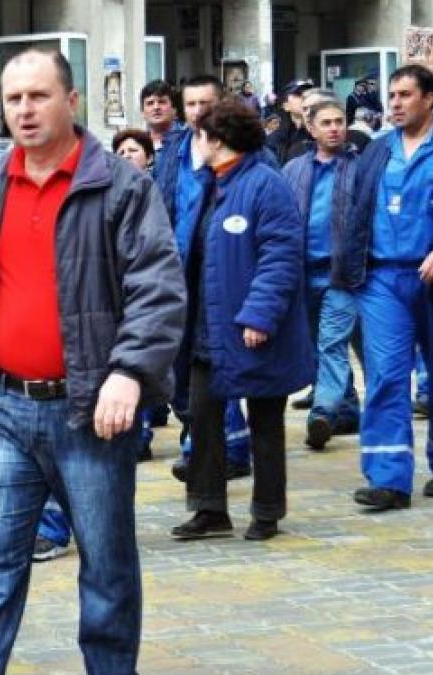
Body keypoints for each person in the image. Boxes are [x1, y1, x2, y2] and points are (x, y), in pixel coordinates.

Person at [0, 48, 186, 675]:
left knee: (106, 567)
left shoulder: (121, 186)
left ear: (71, 101)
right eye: (13, 98)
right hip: (2, 410)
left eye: (38, 96)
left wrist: (127, 370)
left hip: (89, 414)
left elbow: (157, 287)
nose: (24, 109)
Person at [337, 65, 433, 512]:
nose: (396, 103)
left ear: (429, 99)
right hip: (383, 277)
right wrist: (350, 268)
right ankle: (388, 477)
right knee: (384, 375)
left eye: (405, 94)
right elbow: (355, 208)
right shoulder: (378, 150)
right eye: (392, 95)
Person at [173, 99, 312, 542]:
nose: (196, 144)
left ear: (217, 140)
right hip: (205, 325)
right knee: (202, 415)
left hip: (250, 325)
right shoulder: (208, 185)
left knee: (265, 420)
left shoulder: (265, 185)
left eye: (200, 135)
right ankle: (209, 508)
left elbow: (281, 256)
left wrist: (260, 314)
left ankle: (267, 510)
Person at [154, 74, 254, 483]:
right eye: (191, 104)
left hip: (220, 275)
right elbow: (161, 206)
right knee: (180, 367)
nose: (198, 113)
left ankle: (210, 448)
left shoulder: (245, 156)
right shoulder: (175, 151)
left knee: (212, 363)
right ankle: (214, 440)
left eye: (206, 105)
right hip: (176, 272)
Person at [282, 98, 363, 451]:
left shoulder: (360, 167)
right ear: (310, 128)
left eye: (339, 121)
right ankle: (346, 410)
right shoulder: (294, 170)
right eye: (326, 123)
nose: (334, 128)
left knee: (332, 343)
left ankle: (323, 412)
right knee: (315, 346)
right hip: (302, 272)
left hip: (341, 274)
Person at [268, 78, 314, 165]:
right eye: (298, 94)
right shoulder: (275, 140)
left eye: (309, 94)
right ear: (286, 106)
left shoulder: (321, 134)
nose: (305, 97)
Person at [140, 79, 182, 157]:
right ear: (142, 112)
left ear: (174, 109)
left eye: (162, 102)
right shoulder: (138, 144)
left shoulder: (187, 140)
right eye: (150, 103)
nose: (156, 107)